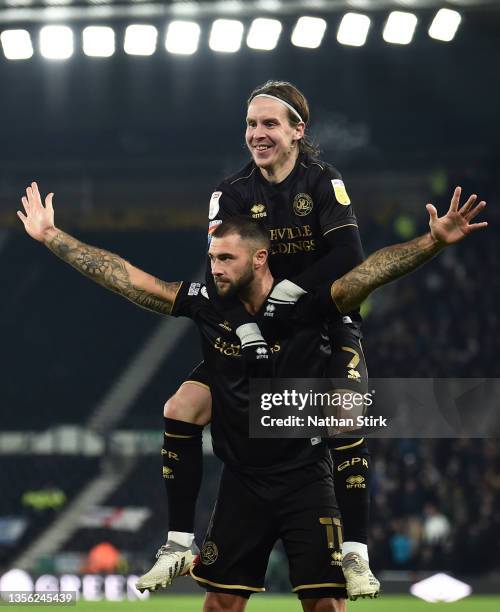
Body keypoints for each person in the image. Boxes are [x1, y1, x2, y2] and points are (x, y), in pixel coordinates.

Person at [18, 181, 486, 612]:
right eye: (213, 257)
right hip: (243, 483)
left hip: (306, 478)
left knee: (326, 606)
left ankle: (355, 553)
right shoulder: (206, 303)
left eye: (227, 259)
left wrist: (433, 241)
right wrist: (52, 237)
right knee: (220, 605)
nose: (215, 268)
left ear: (260, 259)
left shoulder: (307, 308)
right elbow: (124, 278)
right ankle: (177, 543)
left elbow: (370, 274)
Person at [143, 81, 378, 599]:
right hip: (255, 328)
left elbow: (350, 257)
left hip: (322, 323)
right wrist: (248, 324)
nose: (257, 134)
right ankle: (179, 541)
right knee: (181, 405)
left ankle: (357, 552)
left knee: (346, 411)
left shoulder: (322, 181)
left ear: (298, 131)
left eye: (270, 123)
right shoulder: (230, 194)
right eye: (251, 124)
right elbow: (218, 268)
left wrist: (294, 289)